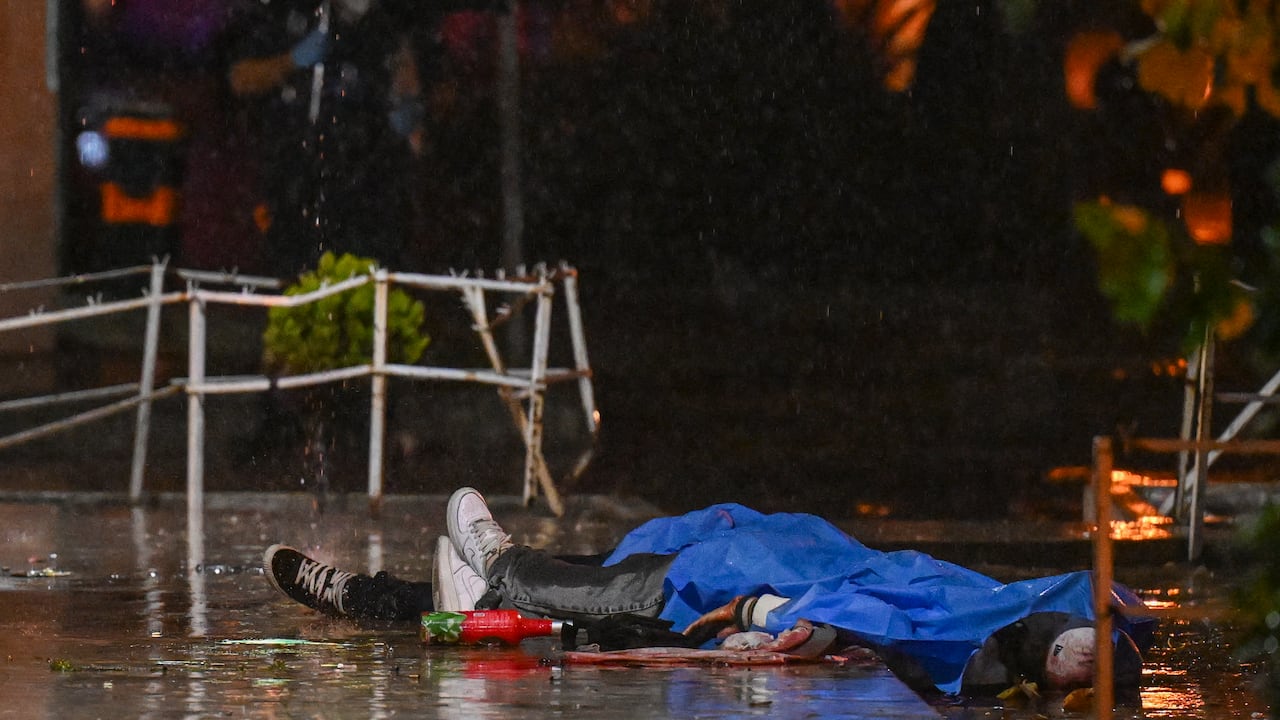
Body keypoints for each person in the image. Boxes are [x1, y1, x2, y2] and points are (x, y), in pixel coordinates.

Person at [264, 487, 1152, 696]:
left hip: (716, 604)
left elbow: (867, 626)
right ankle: (404, 594)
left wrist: (779, 625)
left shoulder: (981, 652)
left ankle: (454, 581)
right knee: (593, 590)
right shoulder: (1003, 607)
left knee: (570, 607)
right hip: (761, 574)